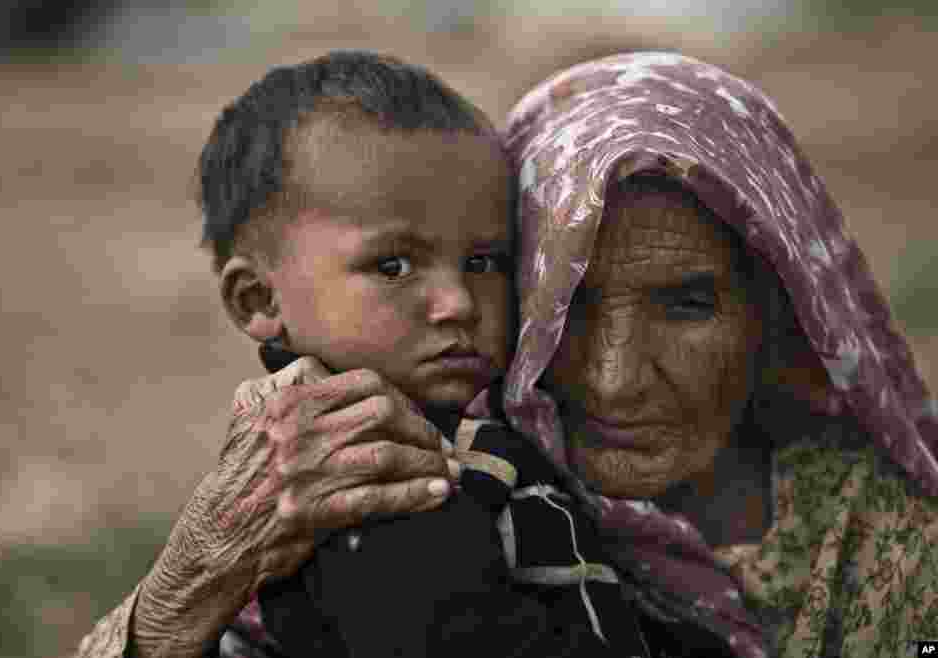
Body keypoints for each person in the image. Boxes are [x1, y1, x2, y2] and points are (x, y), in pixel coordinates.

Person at [79, 52, 938, 658]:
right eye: (564, 302)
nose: (611, 377)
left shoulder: (891, 548)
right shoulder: (330, 473)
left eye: (686, 304)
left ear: (780, 307)